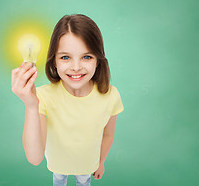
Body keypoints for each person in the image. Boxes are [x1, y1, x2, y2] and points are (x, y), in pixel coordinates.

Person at [11, 14, 124, 186]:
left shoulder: (111, 95)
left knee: (83, 180)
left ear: (98, 60)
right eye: (65, 57)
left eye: (87, 57)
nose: (76, 67)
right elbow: (35, 158)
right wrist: (31, 106)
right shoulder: (42, 97)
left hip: (88, 167)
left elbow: (108, 134)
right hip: (58, 166)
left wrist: (101, 162)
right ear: (54, 61)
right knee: (59, 180)